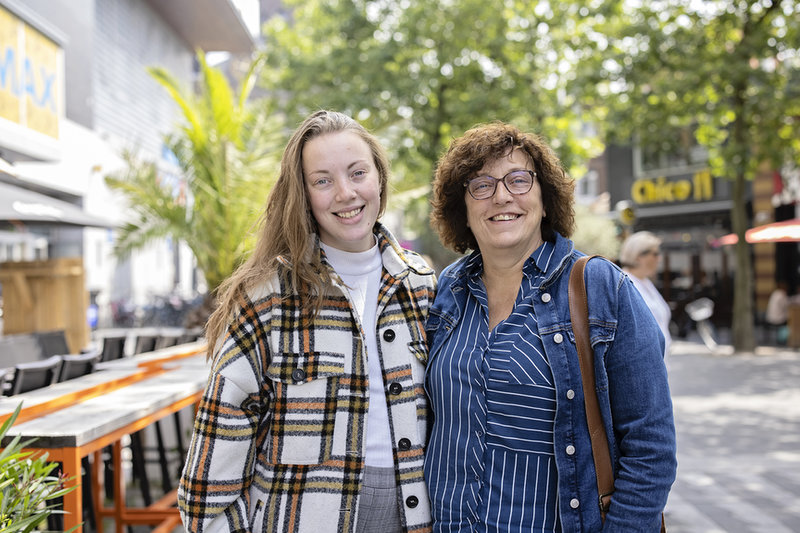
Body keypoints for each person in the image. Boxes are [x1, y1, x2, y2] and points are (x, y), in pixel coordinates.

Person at [178, 110, 436, 533]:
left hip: (411, 516)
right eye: (322, 180)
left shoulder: (420, 283)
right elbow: (224, 427)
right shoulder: (269, 296)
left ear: (380, 178)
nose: (345, 193)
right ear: (303, 193)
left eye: (358, 173)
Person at [425, 122, 676, 532]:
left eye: (518, 180)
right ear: (464, 209)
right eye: (482, 185)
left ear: (545, 199)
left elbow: (651, 451)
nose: (502, 195)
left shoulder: (602, 290)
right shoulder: (447, 291)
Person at [619, 231, 673, 356]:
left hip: (660, 360)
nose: (659, 258)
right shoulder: (624, 282)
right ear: (638, 256)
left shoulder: (645, 281)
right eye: (655, 254)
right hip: (643, 363)